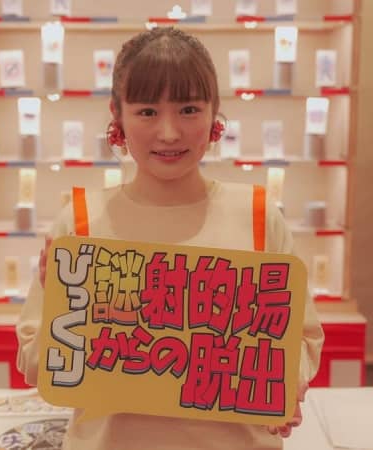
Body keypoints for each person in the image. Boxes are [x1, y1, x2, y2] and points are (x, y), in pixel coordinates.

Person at [16, 26, 324, 450]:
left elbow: (302, 339)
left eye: (189, 109)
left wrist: (286, 383)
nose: (169, 132)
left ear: (214, 113)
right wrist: (61, 315)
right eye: (146, 111)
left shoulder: (258, 216)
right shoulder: (81, 225)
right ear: (117, 114)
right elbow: (37, 366)